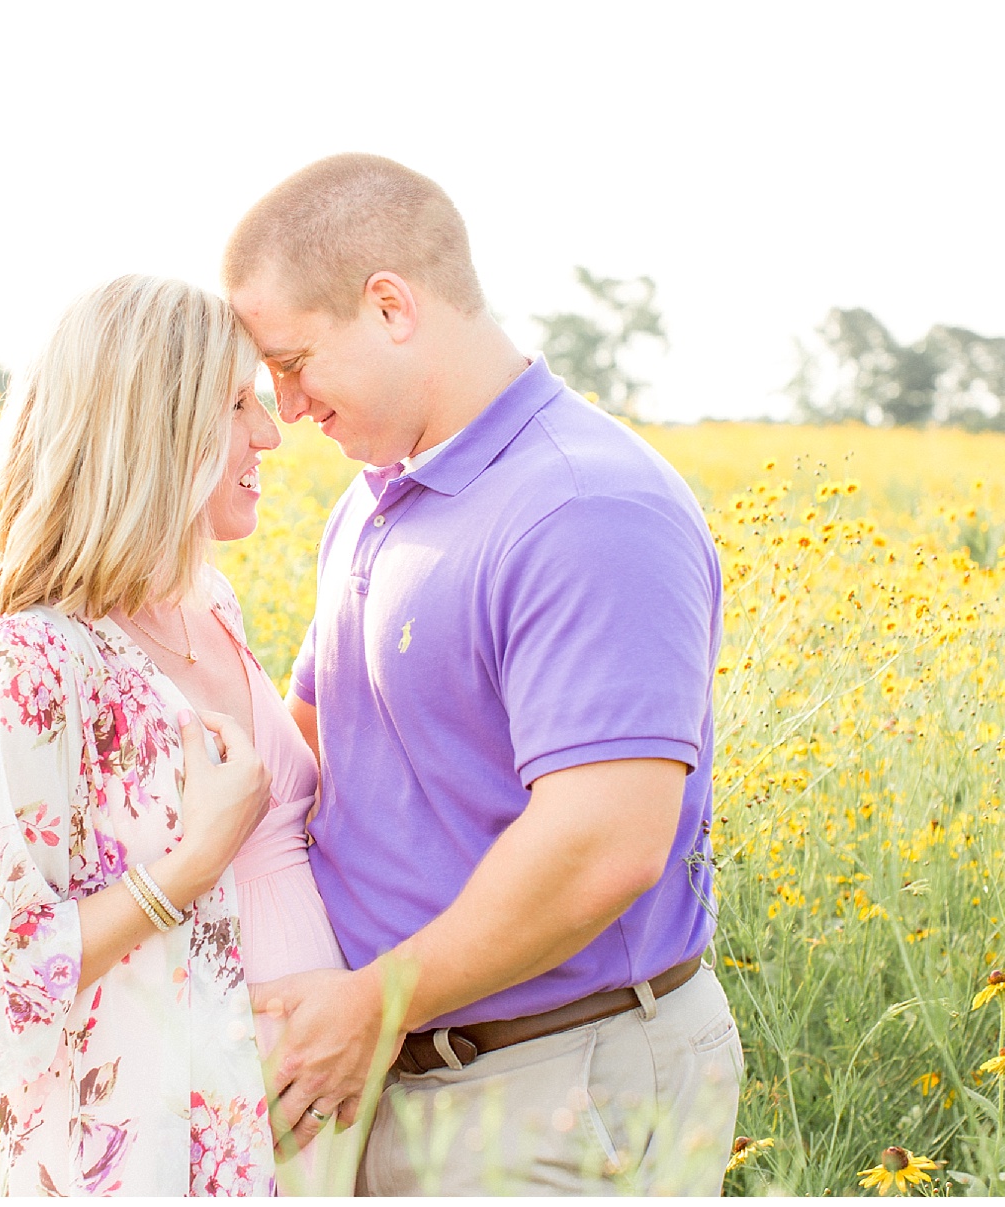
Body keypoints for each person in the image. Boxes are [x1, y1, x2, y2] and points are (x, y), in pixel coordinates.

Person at [221, 153, 743, 1195]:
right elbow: (314, 744)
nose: (281, 409)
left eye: (293, 360)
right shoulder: (377, 499)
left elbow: (606, 842)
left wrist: (373, 1002)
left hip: (552, 1085)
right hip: (403, 1073)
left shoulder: (583, 507)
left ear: (390, 306)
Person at [0, 274, 347, 1196]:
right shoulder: (35, 660)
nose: (269, 433)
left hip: (282, 1126)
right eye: (236, 404)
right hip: (131, 1151)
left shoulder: (208, 604)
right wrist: (189, 867)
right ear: (153, 429)